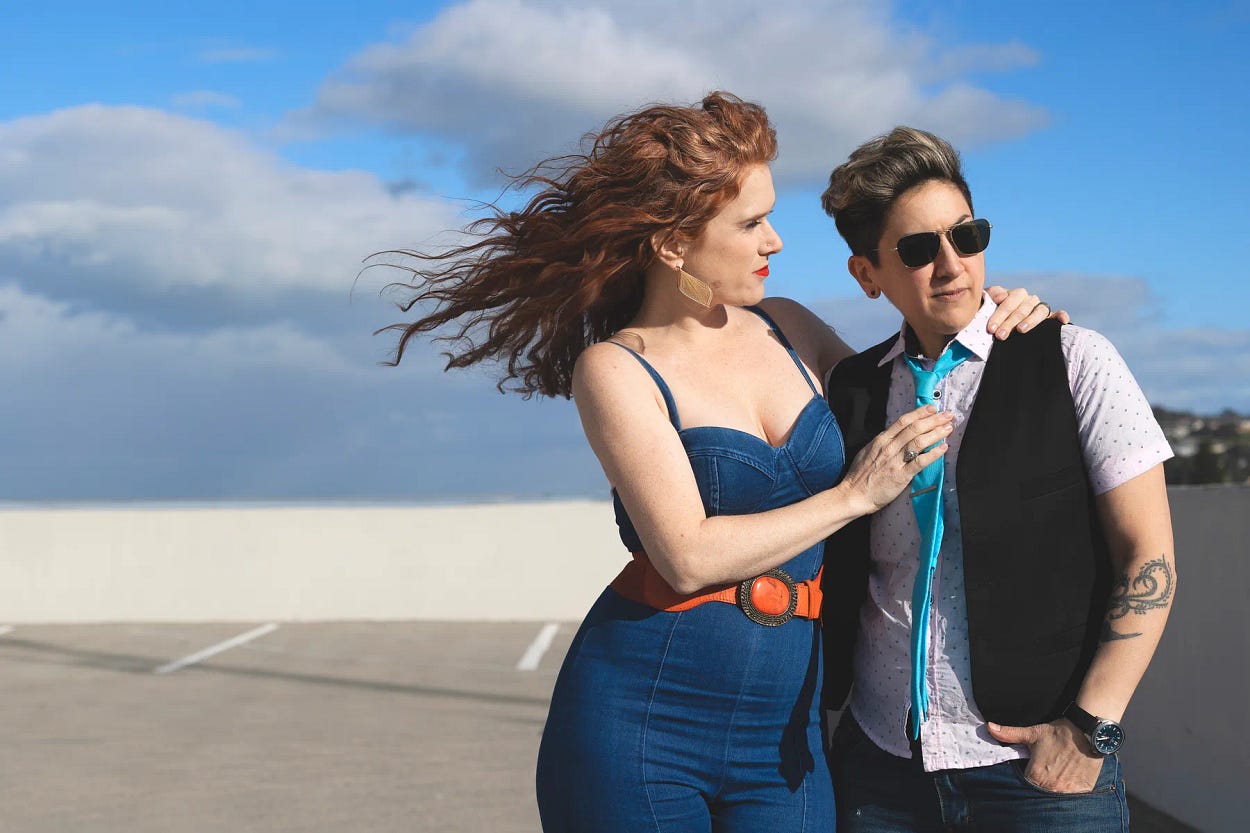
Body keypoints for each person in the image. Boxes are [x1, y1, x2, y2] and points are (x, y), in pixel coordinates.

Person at [378, 93, 1055, 832]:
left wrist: (1008, 321)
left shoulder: (790, 326)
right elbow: (686, 555)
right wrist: (852, 496)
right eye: (751, 223)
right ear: (675, 245)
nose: (776, 242)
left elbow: (912, 380)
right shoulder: (615, 369)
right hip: (642, 720)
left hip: (787, 733)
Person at [819, 126, 1176, 832]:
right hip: (881, 767)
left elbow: (1149, 557)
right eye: (918, 250)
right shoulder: (852, 388)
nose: (952, 264)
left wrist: (1090, 730)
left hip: (1039, 773)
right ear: (867, 274)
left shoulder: (1074, 359)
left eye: (967, 235)